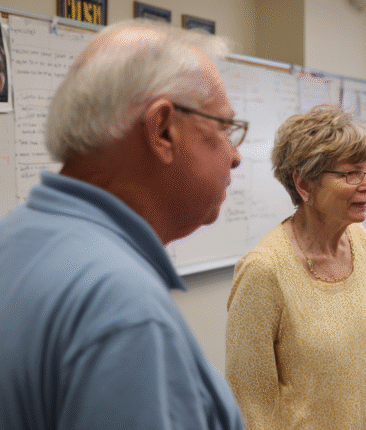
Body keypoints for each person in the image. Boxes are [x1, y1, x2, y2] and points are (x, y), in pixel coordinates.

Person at [0, 20, 244, 429]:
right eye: (223, 128)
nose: (234, 157)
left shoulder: (14, 239)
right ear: (162, 129)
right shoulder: (123, 308)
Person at [225, 104, 366, 430]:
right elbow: (250, 406)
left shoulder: (362, 244)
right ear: (304, 184)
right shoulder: (264, 271)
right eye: (351, 173)